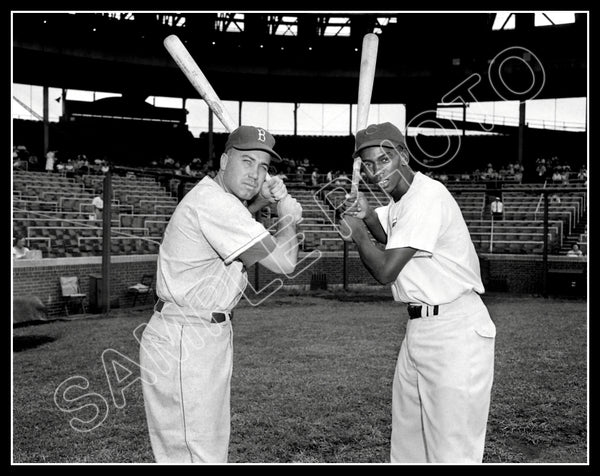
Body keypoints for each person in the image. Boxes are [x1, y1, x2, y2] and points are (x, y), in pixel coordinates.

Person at [139, 125, 303, 463]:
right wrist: (288, 216)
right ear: (225, 160)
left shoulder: (214, 198)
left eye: (263, 167)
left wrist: (260, 201)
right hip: (187, 336)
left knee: (199, 447)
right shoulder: (215, 204)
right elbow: (285, 262)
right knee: (196, 450)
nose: (256, 174)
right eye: (246, 161)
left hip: (195, 331)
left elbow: (234, 218)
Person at [339, 122, 496, 463]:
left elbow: (385, 269)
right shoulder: (402, 202)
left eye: (384, 159)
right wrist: (365, 216)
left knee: (451, 450)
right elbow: (391, 235)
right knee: (409, 446)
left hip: (455, 329)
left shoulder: (427, 195)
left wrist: (358, 234)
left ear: (404, 156)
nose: (375, 170)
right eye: (368, 164)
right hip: (420, 328)